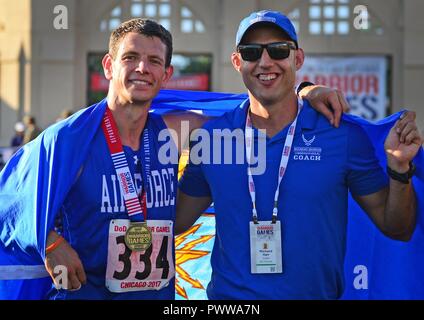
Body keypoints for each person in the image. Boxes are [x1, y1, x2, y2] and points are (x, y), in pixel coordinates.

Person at [0, 18, 345, 300]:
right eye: (130, 57)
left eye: (154, 61)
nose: (141, 68)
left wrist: (305, 91)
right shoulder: (68, 139)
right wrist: (51, 242)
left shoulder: (178, 131)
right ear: (109, 65)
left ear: (166, 75)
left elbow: (260, 112)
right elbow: (7, 200)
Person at [176, 10, 423, 299]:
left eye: (279, 50)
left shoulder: (341, 135)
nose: (265, 62)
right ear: (237, 62)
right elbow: (176, 220)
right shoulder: (212, 139)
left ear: (298, 58)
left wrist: (398, 167)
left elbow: (397, 228)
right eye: (252, 52)